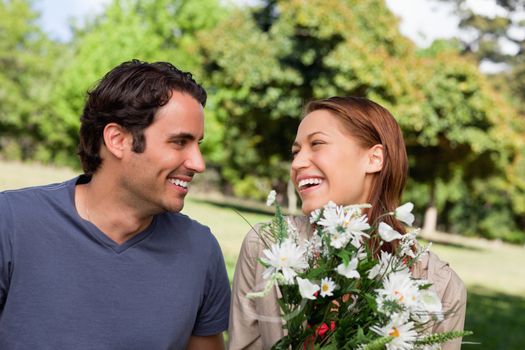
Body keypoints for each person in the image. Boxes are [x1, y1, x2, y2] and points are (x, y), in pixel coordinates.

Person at [0, 60, 230, 349]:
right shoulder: (11, 223)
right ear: (118, 139)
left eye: (198, 144)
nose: (198, 163)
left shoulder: (201, 250)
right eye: (179, 142)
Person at [228, 96, 467, 350]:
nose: (297, 163)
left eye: (317, 144)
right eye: (295, 152)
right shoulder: (267, 244)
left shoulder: (441, 285)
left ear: (374, 159)